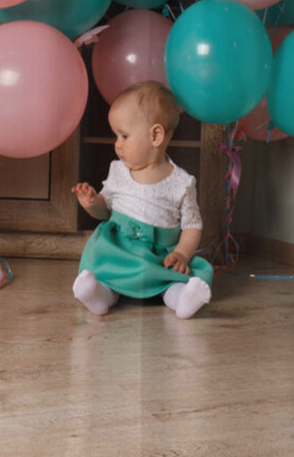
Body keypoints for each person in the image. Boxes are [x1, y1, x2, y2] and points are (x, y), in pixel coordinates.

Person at [72, 80, 213, 319]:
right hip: (119, 251)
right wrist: (93, 203)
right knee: (106, 274)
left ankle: (183, 299)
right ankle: (98, 294)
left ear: (155, 135)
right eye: (116, 135)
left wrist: (181, 253)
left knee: (172, 280)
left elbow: (192, 225)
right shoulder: (117, 171)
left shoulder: (182, 182)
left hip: (161, 257)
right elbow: (106, 210)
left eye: (124, 135)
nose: (117, 144)